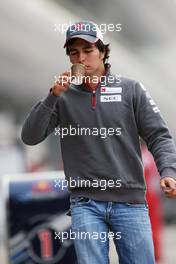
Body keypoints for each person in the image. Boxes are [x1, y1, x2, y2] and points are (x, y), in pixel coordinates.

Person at [21, 21, 176, 264]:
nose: (81, 57)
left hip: (131, 203)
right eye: (74, 52)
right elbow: (30, 137)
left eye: (88, 50)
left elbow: (159, 135)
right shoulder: (62, 97)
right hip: (85, 205)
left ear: (103, 52)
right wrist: (52, 96)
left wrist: (168, 171)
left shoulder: (131, 89)